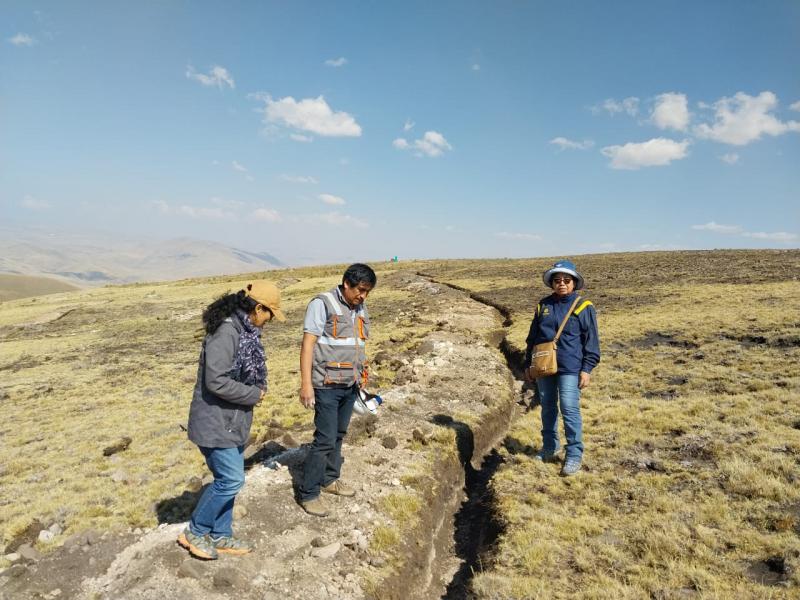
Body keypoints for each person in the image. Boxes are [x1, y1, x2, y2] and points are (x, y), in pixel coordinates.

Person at [178, 281, 286, 559]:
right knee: (231, 480)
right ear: (258, 308)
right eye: (269, 314)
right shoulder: (228, 332)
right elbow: (216, 380)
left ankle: (220, 534)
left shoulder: (245, 332)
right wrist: (253, 393)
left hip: (231, 421)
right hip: (216, 423)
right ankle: (195, 530)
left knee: (228, 478)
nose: (270, 321)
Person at [298, 263, 376, 516]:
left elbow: (357, 344)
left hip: (350, 383)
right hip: (326, 384)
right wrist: (306, 385)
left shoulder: (360, 307)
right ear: (346, 284)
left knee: (339, 434)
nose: (363, 296)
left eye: (367, 291)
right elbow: (308, 346)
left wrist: (362, 376)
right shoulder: (322, 304)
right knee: (324, 439)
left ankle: (330, 479)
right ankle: (309, 493)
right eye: (360, 290)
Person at [524, 260, 600, 476]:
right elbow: (532, 338)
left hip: (571, 366)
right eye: (557, 281)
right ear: (552, 283)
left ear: (574, 282)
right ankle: (550, 447)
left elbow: (591, 340)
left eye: (566, 280)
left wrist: (587, 368)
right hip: (544, 365)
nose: (562, 284)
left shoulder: (583, 306)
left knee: (569, 407)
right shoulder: (543, 305)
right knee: (547, 406)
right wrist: (528, 364)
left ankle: (574, 453)